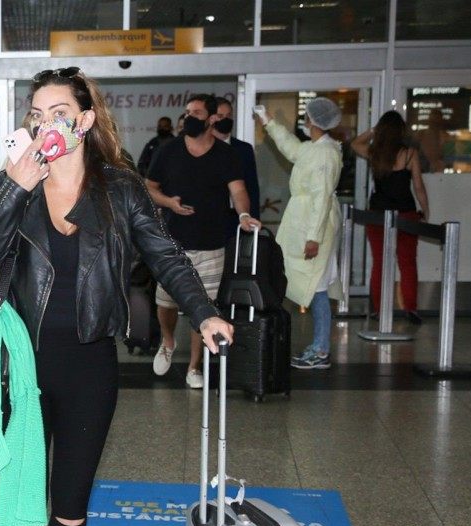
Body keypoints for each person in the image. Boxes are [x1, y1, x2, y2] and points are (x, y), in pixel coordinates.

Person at [0, 67, 234, 526]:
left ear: (84, 120)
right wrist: (13, 186)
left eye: (57, 111)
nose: (43, 123)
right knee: (21, 503)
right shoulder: (18, 182)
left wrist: (204, 312)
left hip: (89, 363)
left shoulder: (119, 189)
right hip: (23, 364)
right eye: (36, 113)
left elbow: (165, 254)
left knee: (69, 502)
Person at [145, 94, 260, 384]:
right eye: (187, 112)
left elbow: (238, 191)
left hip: (211, 243)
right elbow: (149, 188)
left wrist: (244, 215)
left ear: (212, 119)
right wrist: (169, 203)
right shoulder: (168, 150)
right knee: (166, 303)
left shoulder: (226, 155)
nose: (188, 117)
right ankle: (168, 341)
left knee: (204, 307)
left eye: (196, 112)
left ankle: (194, 367)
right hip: (171, 244)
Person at [255, 97, 344, 370]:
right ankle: (318, 347)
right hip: (305, 224)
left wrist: (314, 238)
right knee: (311, 286)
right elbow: (291, 148)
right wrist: (269, 122)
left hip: (314, 228)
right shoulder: (315, 149)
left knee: (316, 289)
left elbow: (322, 198)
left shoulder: (326, 155)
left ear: (313, 121)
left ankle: (320, 349)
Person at [351, 111, 430, 324]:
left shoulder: (374, 153)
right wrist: (426, 210)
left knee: (379, 263)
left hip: (378, 215)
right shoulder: (410, 154)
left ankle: (378, 309)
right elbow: (418, 186)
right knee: (407, 263)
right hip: (406, 213)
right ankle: (411, 308)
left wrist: (374, 131)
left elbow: (355, 143)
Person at [213, 97, 261, 229]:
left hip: (238, 217)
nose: (225, 119)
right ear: (211, 118)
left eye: (229, 115)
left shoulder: (244, 149)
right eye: (220, 116)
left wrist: (253, 217)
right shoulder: (204, 148)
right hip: (211, 218)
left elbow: (252, 186)